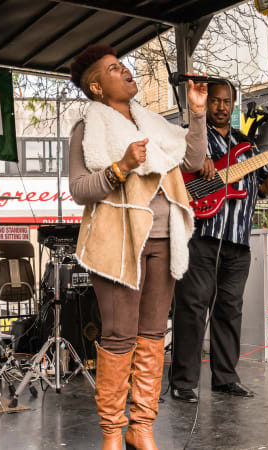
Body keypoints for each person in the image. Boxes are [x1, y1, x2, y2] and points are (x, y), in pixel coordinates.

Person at [67, 44, 207, 450]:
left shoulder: (154, 125)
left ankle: (141, 428)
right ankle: (112, 431)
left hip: (165, 239)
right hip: (117, 244)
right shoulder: (86, 128)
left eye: (124, 65)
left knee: (151, 335)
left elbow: (194, 158)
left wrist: (196, 113)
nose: (126, 71)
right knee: (119, 336)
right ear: (96, 87)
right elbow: (79, 190)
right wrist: (121, 167)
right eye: (115, 69)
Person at [169, 83, 268, 403]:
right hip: (202, 237)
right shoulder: (190, 136)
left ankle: (226, 378)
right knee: (192, 308)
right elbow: (173, 171)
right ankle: (183, 381)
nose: (221, 106)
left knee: (229, 311)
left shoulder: (246, 146)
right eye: (215, 101)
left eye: (226, 102)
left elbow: (263, 187)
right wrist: (196, 158)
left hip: (238, 243)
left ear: (233, 105)